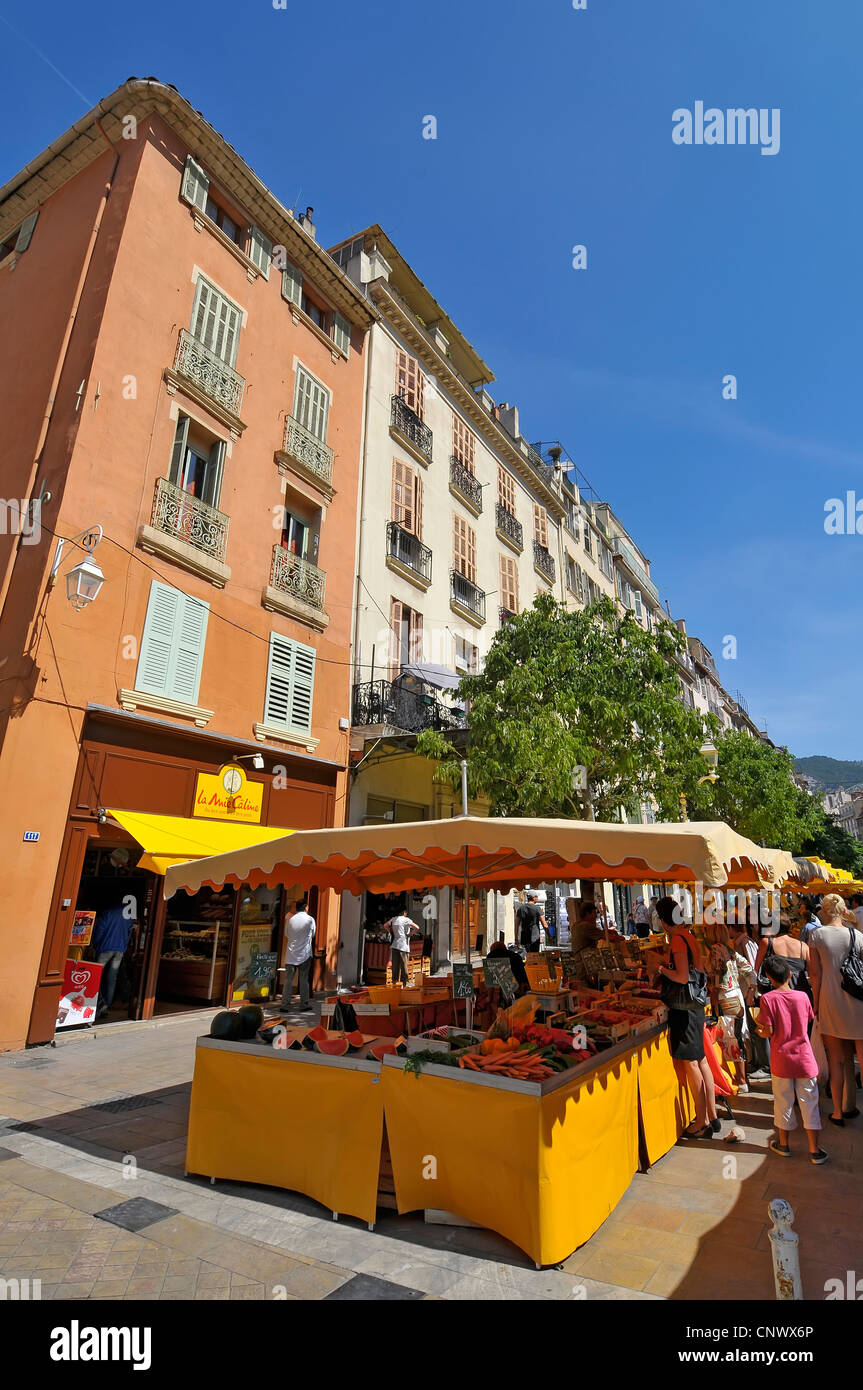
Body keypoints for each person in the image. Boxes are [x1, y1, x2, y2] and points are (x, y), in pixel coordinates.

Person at [653, 895, 719, 1138]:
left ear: (663, 920)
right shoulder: (689, 935)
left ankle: (700, 1122)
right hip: (696, 1007)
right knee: (701, 1061)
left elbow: (681, 977)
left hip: (685, 1008)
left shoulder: (678, 941)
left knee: (692, 1064)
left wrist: (661, 968)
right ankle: (712, 1115)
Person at [756, 956, 827, 1164]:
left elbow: (768, 1030)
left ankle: (784, 1144)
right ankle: (815, 1150)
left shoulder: (767, 999)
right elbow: (806, 1021)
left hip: (781, 1059)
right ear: (789, 974)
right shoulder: (803, 996)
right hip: (804, 1058)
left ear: (769, 977)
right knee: (809, 1103)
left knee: (783, 1102)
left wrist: (760, 1031)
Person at [808, 893, 863, 1125]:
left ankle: (838, 1112)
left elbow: (815, 974)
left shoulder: (817, 935)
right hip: (858, 1001)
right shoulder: (857, 935)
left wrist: (816, 1004)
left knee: (837, 1060)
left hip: (830, 1000)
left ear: (825, 910)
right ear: (842, 910)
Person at [705, 921, 749, 1093]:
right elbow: (746, 967)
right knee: (736, 1036)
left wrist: (715, 990)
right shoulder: (729, 949)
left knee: (731, 1037)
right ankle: (741, 1077)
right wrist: (747, 986)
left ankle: (741, 1079)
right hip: (735, 994)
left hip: (725, 996)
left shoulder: (716, 949)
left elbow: (718, 973)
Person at [734, 918, 770, 1079]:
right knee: (753, 1028)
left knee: (757, 1028)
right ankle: (756, 1061)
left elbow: (753, 968)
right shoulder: (743, 941)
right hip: (747, 990)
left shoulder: (745, 941)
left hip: (750, 991)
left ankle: (765, 1064)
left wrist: (751, 990)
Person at [93, 899, 136, 1018]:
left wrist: (96, 945)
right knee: (112, 978)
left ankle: (99, 1004)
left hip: (105, 948)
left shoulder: (108, 913)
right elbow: (129, 934)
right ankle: (107, 1004)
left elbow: (99, 932)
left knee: (97, 977)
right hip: (119, 950)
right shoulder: (128, 916)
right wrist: (124, 948)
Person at [754, 913, 812, 1003]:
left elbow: (757, 968)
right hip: (801, 994)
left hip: (776, 996)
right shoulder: (803, 946)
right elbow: (813, 974)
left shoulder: (767, 943)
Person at [281, 897, 316, 1011]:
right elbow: (313, 934)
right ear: (306, 907)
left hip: (291, 954)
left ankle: (285, 1005)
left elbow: (287, 934)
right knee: (303, 980)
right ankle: (304, 1004)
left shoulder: (291, 920)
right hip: (304, 954)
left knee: (288, 980)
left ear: (296, 908)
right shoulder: (310, 920)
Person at [388, 908, 420, 984]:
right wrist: (410, 934)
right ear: (404, 913)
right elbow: (417, 927)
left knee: (395, 965)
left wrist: (391, 932)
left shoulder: (393, 919)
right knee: (404, 965)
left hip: (395, 945)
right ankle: (404, 983)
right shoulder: (406, 920)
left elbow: (385, 925)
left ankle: (394, 982)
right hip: (403, 946)